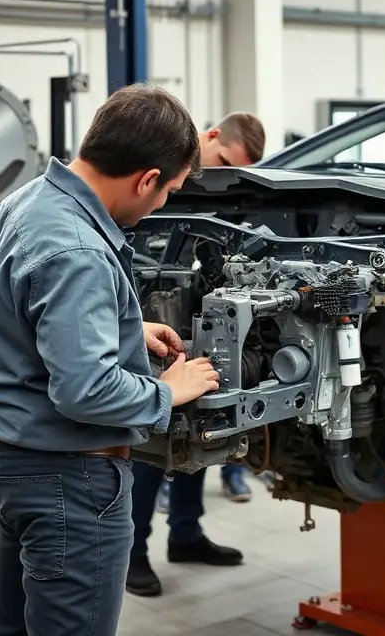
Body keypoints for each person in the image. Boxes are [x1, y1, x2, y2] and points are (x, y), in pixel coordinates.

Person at [0, 83, 221, 636]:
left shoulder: (26, 202)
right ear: (147, 178)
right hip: (65, 477)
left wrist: (124, 325)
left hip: (5, 459)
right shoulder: (77, 248)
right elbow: (86, 390)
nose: (163, 203)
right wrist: (169, 390)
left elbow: (9, 314)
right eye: (169, 189)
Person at [127, 110, 270, 597]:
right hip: (146, 316)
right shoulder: (160, 167)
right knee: (152, 439)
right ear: (210, 137)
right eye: (224, 159)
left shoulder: (222, 191)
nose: (225, 171)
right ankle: (133, 553)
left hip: (198, 313)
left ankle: (185, 534)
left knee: (201, 428)